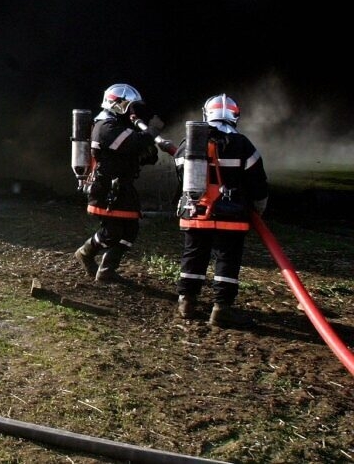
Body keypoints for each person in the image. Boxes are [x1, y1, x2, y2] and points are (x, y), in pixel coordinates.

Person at [174, 94, 269, 327]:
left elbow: (179, 169)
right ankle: (221, 308)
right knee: (227, 259)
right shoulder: (243, 144)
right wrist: (258, 206)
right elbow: (258, 181)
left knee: (194, 255)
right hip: (232, 214)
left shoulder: (191, 141)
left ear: (206, 114)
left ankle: (186, 302)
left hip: (195, 211)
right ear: (235, 116)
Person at [74, 83, 167, 282]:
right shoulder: (105, 126)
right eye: (131, 106)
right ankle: (85, 253)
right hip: (106, 188)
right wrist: (151, 131)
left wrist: (148, 150)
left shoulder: (118, 126)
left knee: (130, 231)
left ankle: (107, 270)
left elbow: (137, 152)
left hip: (123, 186)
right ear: (118, 104)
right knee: (111, 233)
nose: (133, 112)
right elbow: (132, 143)